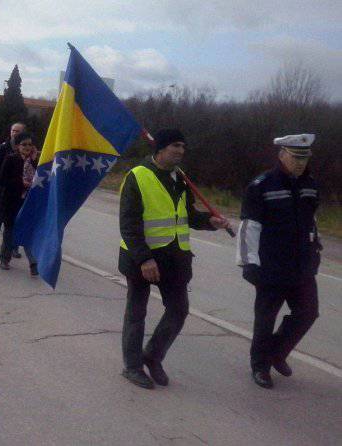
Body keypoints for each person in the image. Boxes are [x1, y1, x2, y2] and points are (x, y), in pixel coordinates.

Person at [118, 128, 230, 389]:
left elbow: (186, 215)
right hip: (141, 259)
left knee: (179, 310)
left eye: (183, 146)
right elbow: (129, 224)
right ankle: (132, 367)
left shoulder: (180, 177)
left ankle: (153, 355)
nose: (181, 151)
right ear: (160, 149)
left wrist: (209, 221)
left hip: (174, 259)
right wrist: (145, 259)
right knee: (136, 313)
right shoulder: (137, 177)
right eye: (175, 146)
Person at [236, 134, 321, 389]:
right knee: (265, 318)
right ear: (282, 154)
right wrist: (249, 263)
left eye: (304, 158)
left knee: (308, 312)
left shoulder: (310, 184)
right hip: (271, 264)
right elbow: (249, 226)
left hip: (302, 264)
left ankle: (276, 352)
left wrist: (315, 248)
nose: (300, 163)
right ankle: (260, 366)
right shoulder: (262, 185)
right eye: (296, 157)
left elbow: (311, 220)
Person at [0, 132, 38, 275]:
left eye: (30, 144)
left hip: (27, 202)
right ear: (17, 146)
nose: (27, 147)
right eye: (24, 144)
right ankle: (5, 258)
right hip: (11, 202)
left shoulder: (35, 162)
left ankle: (33, 263)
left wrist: (33, 161)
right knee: (9, 231)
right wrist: (21, 183)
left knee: (28, 231)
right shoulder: (11, 159)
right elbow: (2, 179)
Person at [0, 122, 26, 248]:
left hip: (19, 190)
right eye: (13, 130)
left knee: (16, 218)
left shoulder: (27, 148)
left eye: (18, 131)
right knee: (0, 214)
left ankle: (12, 245)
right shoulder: (3, 148)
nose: (14, 133)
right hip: (2, 188)